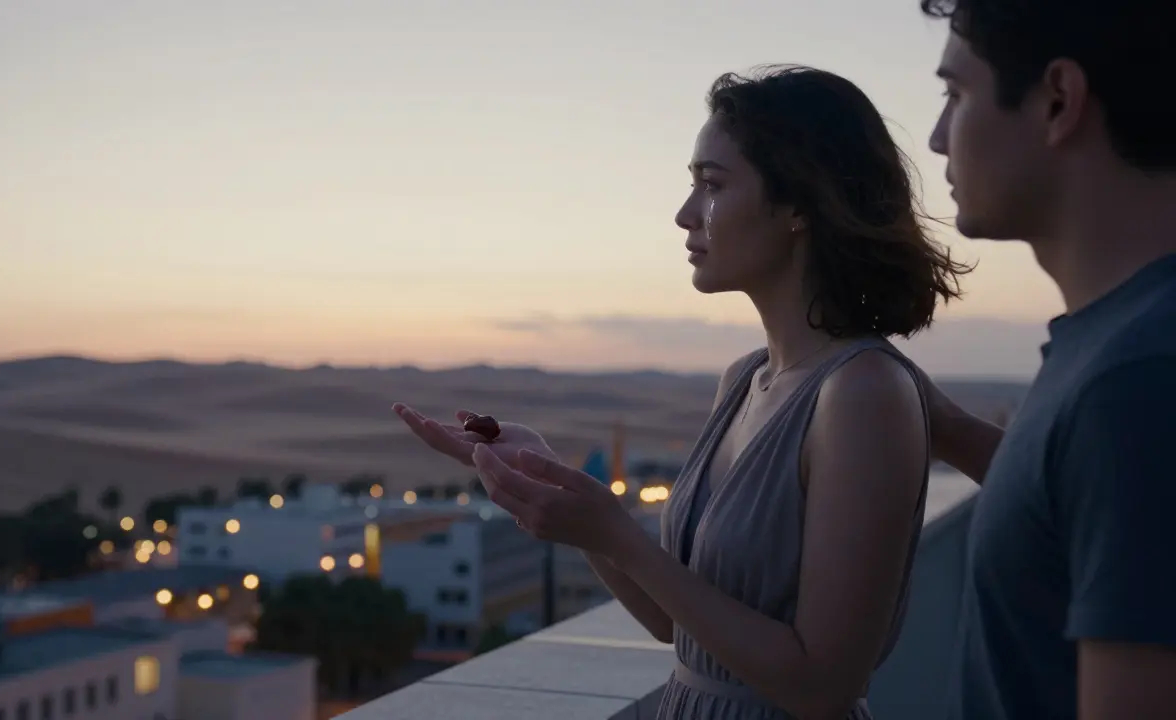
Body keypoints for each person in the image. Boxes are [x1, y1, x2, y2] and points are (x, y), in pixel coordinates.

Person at [394, 65, 971, 719]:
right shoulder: (744, 381)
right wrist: (551, 483)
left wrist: (622, 536)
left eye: (712, 185)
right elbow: (672, 624)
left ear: (800, 206)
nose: (684, 215)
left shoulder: (864, 394)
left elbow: (825, 683)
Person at [916, 1, 1176, 718]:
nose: (939, 138)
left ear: (1059, 100)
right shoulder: (1118, 348)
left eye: (955, 95)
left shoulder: (1138, 380)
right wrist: (949, 427)